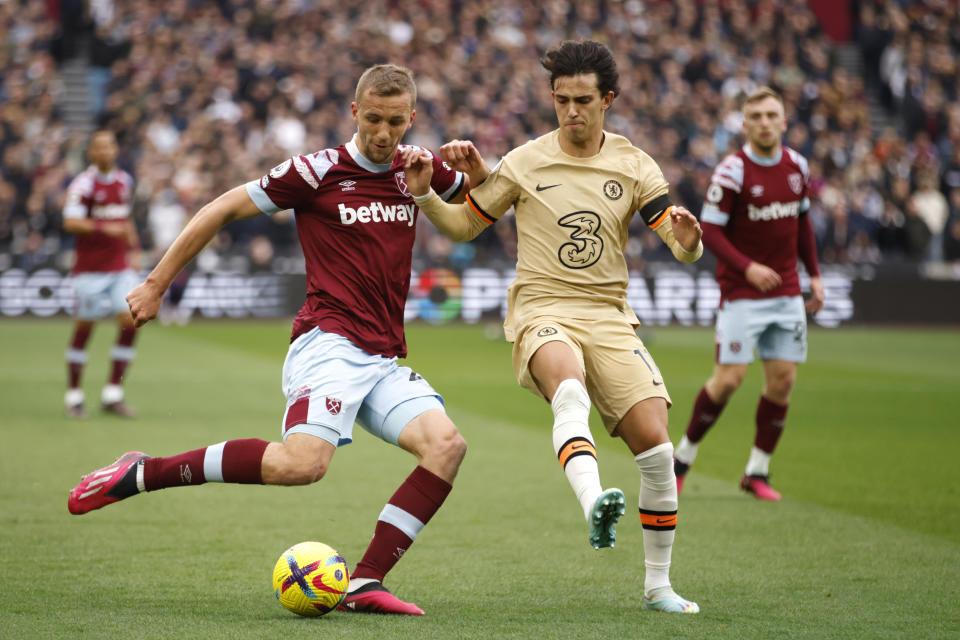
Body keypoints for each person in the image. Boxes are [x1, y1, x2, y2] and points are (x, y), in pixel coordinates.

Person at [68, 64, 476, 616]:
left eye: (396, 122)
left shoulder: (417, 168)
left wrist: (476, 167)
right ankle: (142, 472)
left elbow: (483, 201)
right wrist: (156, 282)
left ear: (412, 119)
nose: (384, 133)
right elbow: (221, 208)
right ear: (355, 113)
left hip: (381, 355)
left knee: (446, 446)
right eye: (374, 119)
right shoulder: (314, 172)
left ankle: (364, 582)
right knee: (302, 465)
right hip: (327, 342)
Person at [402, 40, 702, 614]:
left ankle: (658, 586)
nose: (571, 111)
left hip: (611, 316)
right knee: (568, 388)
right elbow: (467, 224)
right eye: (562, 100)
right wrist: (424, 197)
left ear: (608, 99)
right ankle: (593, 502)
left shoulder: (635, 164)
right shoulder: (525, 161)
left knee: (659, 452)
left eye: (583, 100)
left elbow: (677, 241)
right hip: (542, 307)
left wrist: (689, 242)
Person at [673, 87, 825, 501]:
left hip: (788, 290)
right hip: (741, 291)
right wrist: (748, 267)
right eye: (755, 116)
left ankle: (757, 472)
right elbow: (712, 232)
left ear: (783, 121)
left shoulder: (797, 166)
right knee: (729, 380)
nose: (763, 122)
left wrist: (814, 275)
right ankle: (681, 459)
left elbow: (803, 224)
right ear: (744, 124)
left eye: (770, 115)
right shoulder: (732, 171)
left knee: (783, 381)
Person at [62, 130, 141, 418]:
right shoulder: (82, 184)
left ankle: (112, 393)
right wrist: (101, 228)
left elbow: (126, 216)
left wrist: (134, 247)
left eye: (111, 145)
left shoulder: (124, 181)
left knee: (130, 323)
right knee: (85, 330)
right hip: (90, 270)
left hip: (119, 266)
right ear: (91, 153)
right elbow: (70, 221)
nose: (107, 151)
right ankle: (74, 396)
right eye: (101, 147)